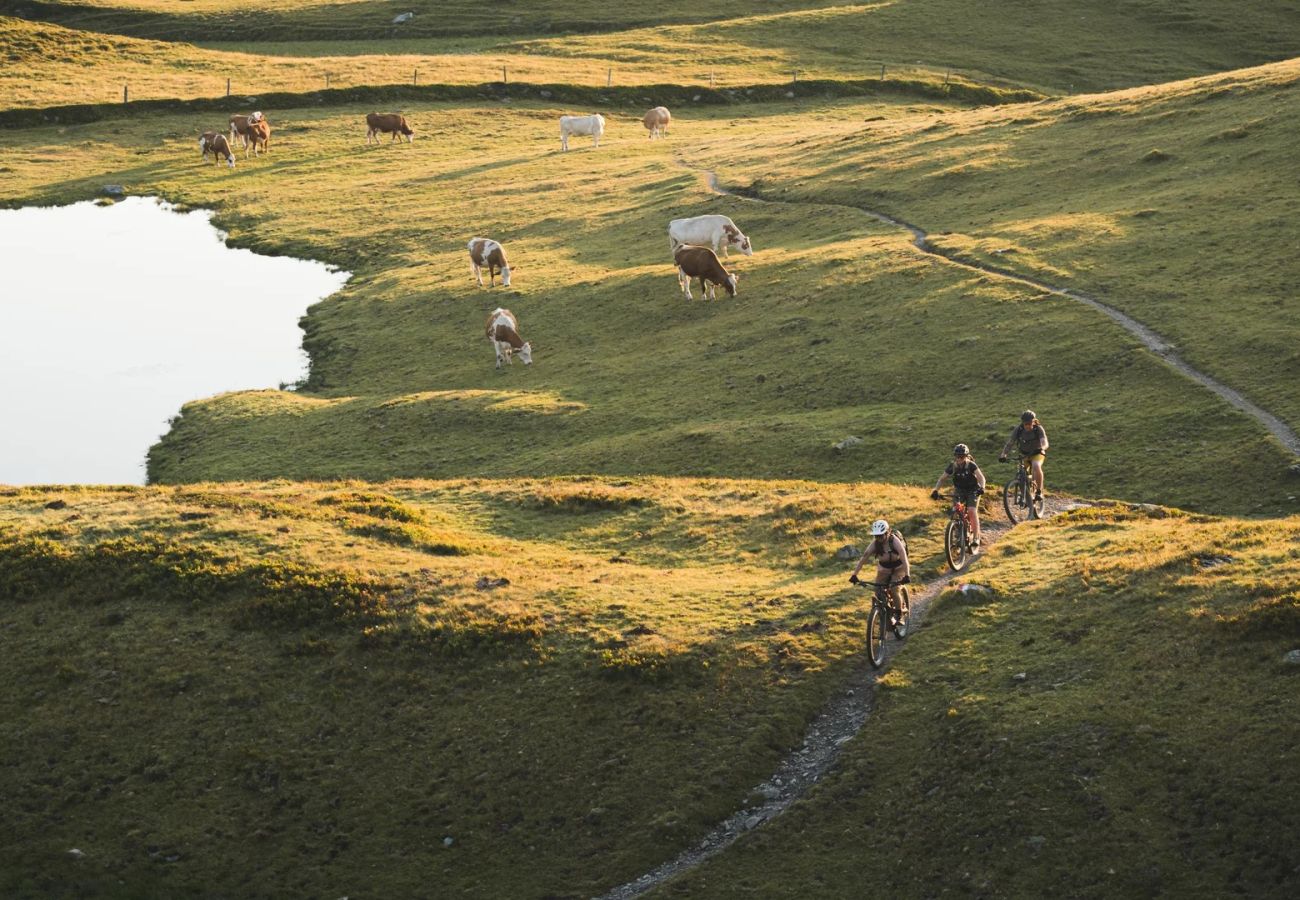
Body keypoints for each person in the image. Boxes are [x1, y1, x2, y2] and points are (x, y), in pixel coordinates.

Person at [848, 519, 910, 624]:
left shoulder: (894, 541)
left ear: (887, 533)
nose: (879, 538)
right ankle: (883, 614)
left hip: (898, 568)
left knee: (894, 589)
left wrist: (907, 574)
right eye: (876, 536)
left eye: (881, 536)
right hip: (884, 569)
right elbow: (864, 557)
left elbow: (904, 557)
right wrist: (855, 574)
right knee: (878, 590)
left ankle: (899, 615)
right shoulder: (875, 544)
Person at [931, 443, 987, 548]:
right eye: (957, 456)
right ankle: (957, 531)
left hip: (973, 490)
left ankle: (976, 537)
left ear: (966, 456)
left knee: (971, 511)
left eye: (962, 456)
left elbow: (981, 477)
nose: (959, 458)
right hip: (959, 491)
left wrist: (982, 488)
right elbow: (942, 479)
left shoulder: (971, 465)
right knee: (956, 510)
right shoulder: (953, 466)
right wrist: (935, 490)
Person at [1000, 410, 1048, 501]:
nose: (1027, 426)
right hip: (1024, 454)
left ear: (1033, 421)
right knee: (1021, 473)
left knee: (1036, 466)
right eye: (1025, 424)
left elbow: (1044, 442)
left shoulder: (1038, 428)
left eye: (1029, 423)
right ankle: (1025, 492)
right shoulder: (1018, 430)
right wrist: (1004, 454)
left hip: (1037, 453)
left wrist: (1042, 448)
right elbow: (1010, 443)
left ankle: (1039, 491)